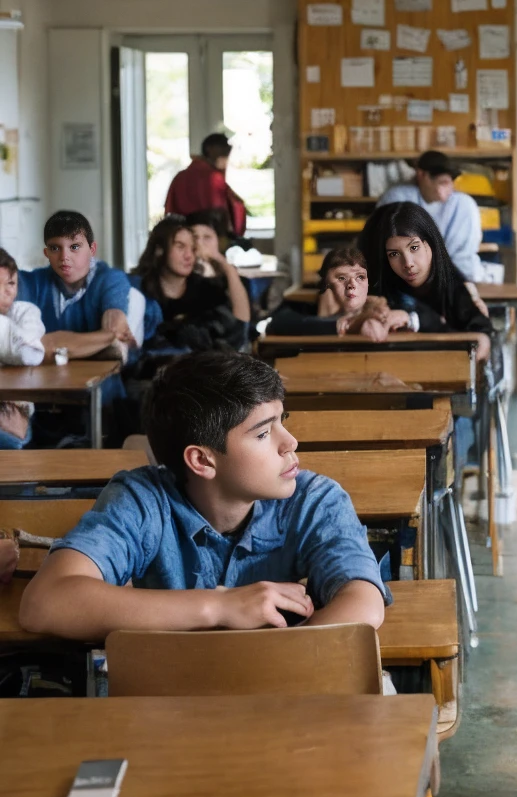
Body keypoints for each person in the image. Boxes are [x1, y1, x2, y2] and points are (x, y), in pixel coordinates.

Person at [18, 351, 389, 639]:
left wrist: (265, 665)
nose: (289, 443)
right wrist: (219, 607)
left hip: (284, 703)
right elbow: (45, 603)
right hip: (166, 711)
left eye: (282, 421)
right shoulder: (142, 500)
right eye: (263, 433)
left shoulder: (314, 499)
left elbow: (363, 603)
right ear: (202, 460)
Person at [360, 203, 492, 363]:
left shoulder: (452, 285)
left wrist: (412, 319)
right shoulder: (377, 287)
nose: (407, 263)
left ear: (430, 245)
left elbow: (481, 339)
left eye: (414, 248)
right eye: (394, 254)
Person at [17, 210, 136, 364]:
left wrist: (51, 348)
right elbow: (29, 346)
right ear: (46, 253)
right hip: (44, 384)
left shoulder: (110, 279)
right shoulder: (33, 282)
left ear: (92, 250)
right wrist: (104, 341)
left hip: (100, 385)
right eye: (55, 248)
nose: (64, 257)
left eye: (74, 247)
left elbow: (116, 330)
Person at [134, 218, 248, 352]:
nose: (188, 255)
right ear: (159, 250)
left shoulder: (205, 289)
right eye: (180, 247)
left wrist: (226, 266)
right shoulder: (138, 290)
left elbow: (239, 326)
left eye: (193, 249)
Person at [378, 150, 484, 281]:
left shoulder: (463, 204)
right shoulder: (397, 198)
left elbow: (463, 256)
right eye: (441, 182)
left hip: (455, 278)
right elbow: (390, 248)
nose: (447, 190)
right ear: (421, 175)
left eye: (449, 183)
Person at [266, 245, 404, 340]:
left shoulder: (375, 309)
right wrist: (346, 325)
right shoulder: (300, 310)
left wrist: (402, 316)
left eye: (359, 278)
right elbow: (277, 324)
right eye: (340, 278)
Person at [0, 246, 45, 452]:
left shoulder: (25, 313)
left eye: (11, 282)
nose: (7, 291)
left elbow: (28, 352)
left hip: (12, 412)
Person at [164, 133, 247, 240]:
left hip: (182, 239)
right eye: (223, 148)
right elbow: (228, 211)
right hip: (210, 237)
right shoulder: (213, 177)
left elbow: (169, 213)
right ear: (210, 149)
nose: (227, 153)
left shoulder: (180, 177)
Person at [186, 209, 251, 324]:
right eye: (195, 237)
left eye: (207, 237)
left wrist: (224, 264)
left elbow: (243, 319)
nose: (200, 243)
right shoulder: (184, 274)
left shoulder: (229, 273)